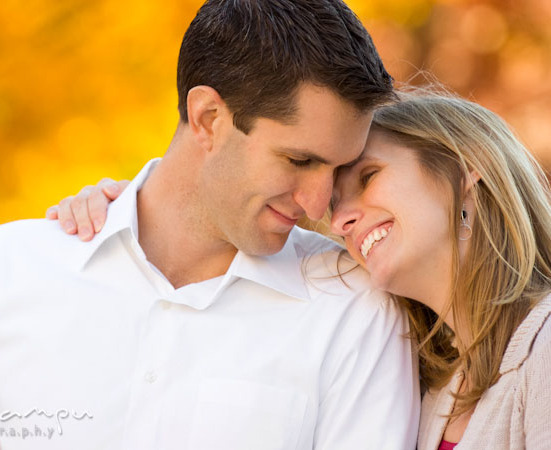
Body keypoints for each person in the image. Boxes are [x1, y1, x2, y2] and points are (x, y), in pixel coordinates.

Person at [0, 0, 421, 449]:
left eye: (337, 170)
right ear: (208, 118)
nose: (319, 204)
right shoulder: (2, 273)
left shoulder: (354, 311)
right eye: (299, 159)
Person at [56, 87, 551, 449]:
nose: (339, 218)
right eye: (335, 202)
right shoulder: (430, 379)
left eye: (370, 177)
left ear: (467, 168)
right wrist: (137, 214)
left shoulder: (544, 348)